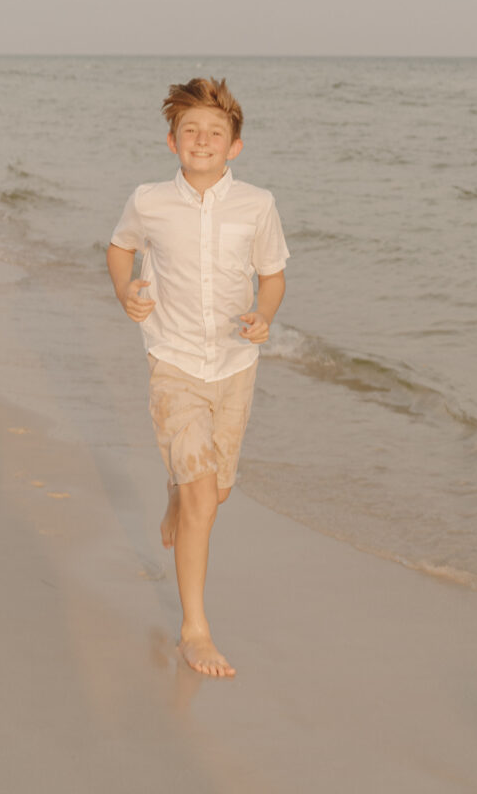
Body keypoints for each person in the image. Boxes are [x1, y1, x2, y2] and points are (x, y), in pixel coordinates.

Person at [107, 77, 288, 678]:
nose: (203, 140)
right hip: (174, 360)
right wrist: (125, 290)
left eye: (216, 132)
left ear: (236, 146)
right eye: (191, 131)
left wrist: (264, 315)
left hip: (235, 365)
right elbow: (120, 247)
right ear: (171, 141)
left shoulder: (257, 206)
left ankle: (175, 497)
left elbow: (272, 276)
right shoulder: (149, 201)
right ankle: (195, 629)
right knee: (204, 498)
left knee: (215, 492)